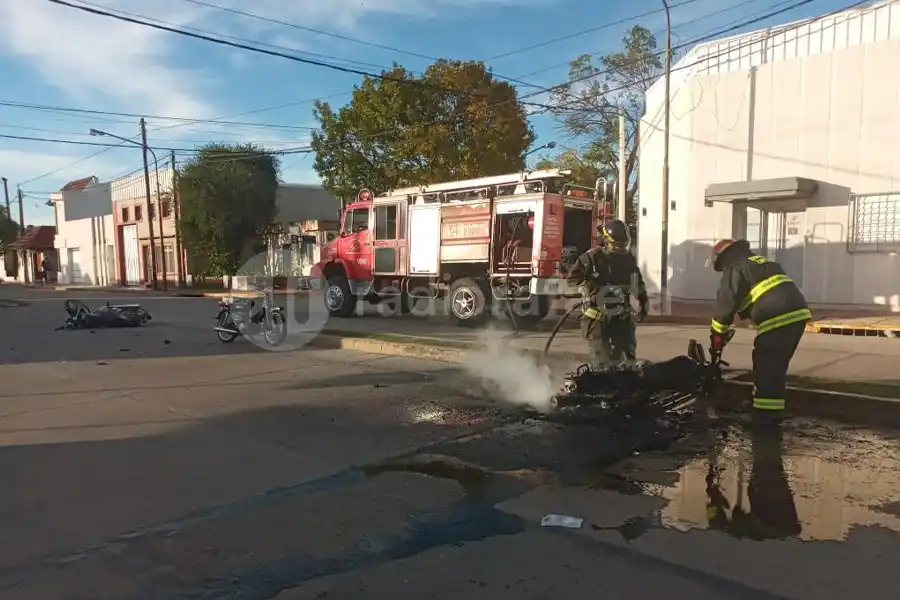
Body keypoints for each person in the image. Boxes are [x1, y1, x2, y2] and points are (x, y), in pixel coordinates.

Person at [708, 239, 811, 416]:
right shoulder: (762, 262)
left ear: (723, 258)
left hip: (778, 317)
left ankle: (765, 417)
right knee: (773, 366)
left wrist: (717, 335)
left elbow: (725, 304)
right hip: (797, 314)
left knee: (767, 366)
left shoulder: (736, 267)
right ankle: (764, 404)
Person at [567, 219, 649, 367]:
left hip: (621, 317)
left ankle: (627, 388)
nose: (621, 249)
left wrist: (644, 302)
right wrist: (590, 291)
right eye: (617, 245)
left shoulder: (628, 259)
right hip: (597, 319)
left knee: (627, 361)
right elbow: (573, 279)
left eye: (624, 245)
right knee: (602, 364)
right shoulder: (590, 258)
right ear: (605, 241)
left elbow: (638, 283)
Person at [705, 422, 801, 541]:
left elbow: (714, 514)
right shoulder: (746, 531)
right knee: (767, 471)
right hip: (774, 518)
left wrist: (712, 497)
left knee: (766, 471)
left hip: (773, 518)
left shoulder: (731, 533)